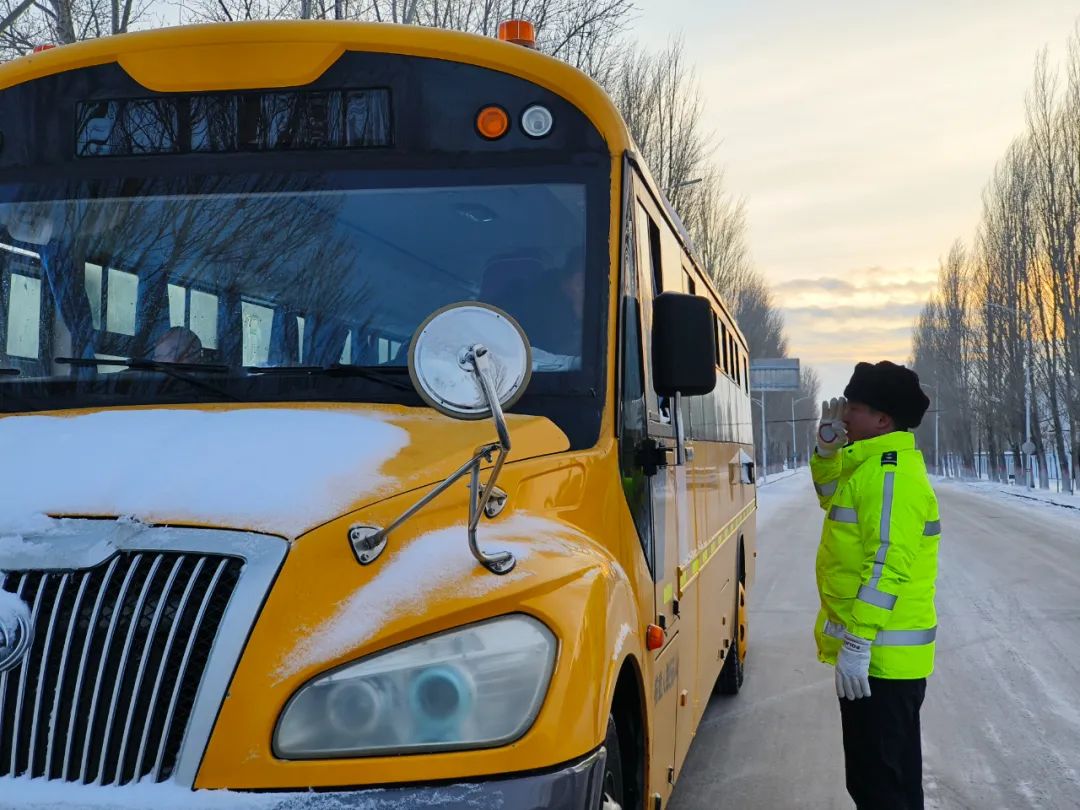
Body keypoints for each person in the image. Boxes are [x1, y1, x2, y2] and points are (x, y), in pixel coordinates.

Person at [809, 361, 940, 810]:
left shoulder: (890, 477)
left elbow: (887, 566)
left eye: (856, 408)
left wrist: (859, 641)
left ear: (883, 420)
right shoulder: (869, 467)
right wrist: (827, 454)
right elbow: (831, 497)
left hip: (881, 660)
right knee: (887, 782)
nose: (844, 415)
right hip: (879, 662)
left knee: (879, 787)